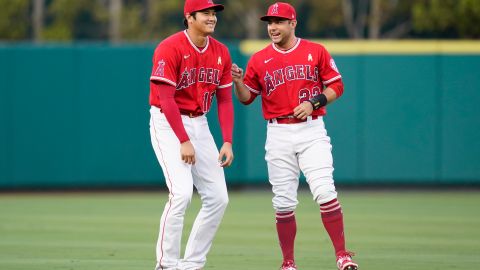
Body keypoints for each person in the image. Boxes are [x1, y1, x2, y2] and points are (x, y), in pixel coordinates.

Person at [231, 2, 358, 270]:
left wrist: (314, 102)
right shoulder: (259, 59)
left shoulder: (315, 51)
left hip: (312, 130)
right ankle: (288, 263)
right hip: (277, 132)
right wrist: (239, 82)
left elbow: (337, 85)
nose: (273, 27)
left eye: (278, 21)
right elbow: (246, 99)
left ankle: (342, 255)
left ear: (293, 23)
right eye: (269, 22)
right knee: (283, 201)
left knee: (325, 191)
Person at [148, 0, 234, 269]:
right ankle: (166, 264)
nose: (212, 17)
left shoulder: (221, 51)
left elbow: (224, 101)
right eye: (206, 13)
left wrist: (228, 140)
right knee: (182, 194)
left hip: (200, 122)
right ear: (189, 16)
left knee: (219, 197)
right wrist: (184, 140)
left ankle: (192, 263)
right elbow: (166, 98)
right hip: (168, 122)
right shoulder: (169, 47)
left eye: (214, 13)